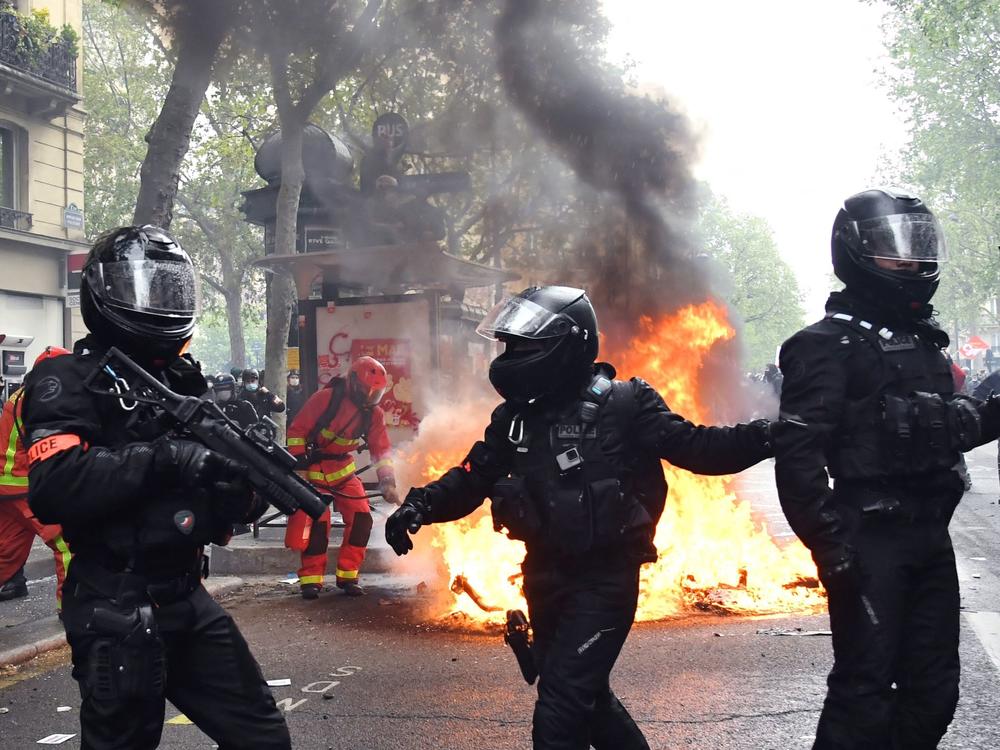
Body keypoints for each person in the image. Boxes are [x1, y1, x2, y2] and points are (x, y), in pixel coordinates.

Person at [385, 285, 777, 750]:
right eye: (510, 344)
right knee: (589, 700)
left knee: (561, 708)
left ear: (569, 343)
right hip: (544, 576)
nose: (512, 354)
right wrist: (420, 504)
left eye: (526, 345)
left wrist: (773, 435)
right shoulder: (514, 418)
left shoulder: (627, 403)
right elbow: (474, 476)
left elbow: (700, 447)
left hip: (605, 580)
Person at [20, 225, 291, 749]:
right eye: (146, 289)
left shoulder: (185, 381)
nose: (160, 304)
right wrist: (166, 458)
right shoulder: (67, 380)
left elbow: (219, 501)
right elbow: (56, 485)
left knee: (262, 736)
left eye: (170, 289)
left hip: (186, 593)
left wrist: (237, 494)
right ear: (101, 292)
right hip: (113, 599)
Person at [773, 188, 1000, 750]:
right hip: (868, 540)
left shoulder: (923, 340)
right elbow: (798, 461)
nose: (915, 262)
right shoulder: (823, 346)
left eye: (920, 246)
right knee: (862, 694)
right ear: (855, 252)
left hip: (929, 535)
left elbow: (946, 429)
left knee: (936, 692)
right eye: (896, 250)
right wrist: (831, 547)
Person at [285, 356, 399, 599]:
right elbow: (296, 431)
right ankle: (310, 580)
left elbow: (381, 450)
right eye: (367, 392)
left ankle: (348, 576)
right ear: (354, 383)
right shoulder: (325, 399)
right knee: (318, 522)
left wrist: (387, 480)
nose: (370, 398)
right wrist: (300, 464)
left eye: (375, 394)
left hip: (343, 472)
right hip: (315, 472)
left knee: (362, 519)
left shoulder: (373, 414)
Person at [0, 346, 73, 607]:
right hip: (24, 485)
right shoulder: (42, 397)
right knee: (67, 543)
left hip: (6, 485)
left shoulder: (20, 396)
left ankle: (12, 584)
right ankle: (71, 606)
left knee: (5, 553)